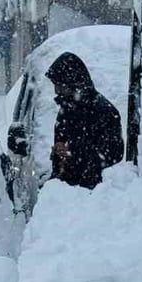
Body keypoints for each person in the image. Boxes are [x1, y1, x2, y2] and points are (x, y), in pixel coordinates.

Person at [45, 52, 124, 189]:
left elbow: (112, 157)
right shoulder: (66, 111)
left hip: (97, 195)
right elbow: (61, 151)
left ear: (73, 82)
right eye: (55, 85)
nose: (56, 90)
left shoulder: (105, 113)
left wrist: (72, 155)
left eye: (60, 85)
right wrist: (60, 156)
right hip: (65, 192)